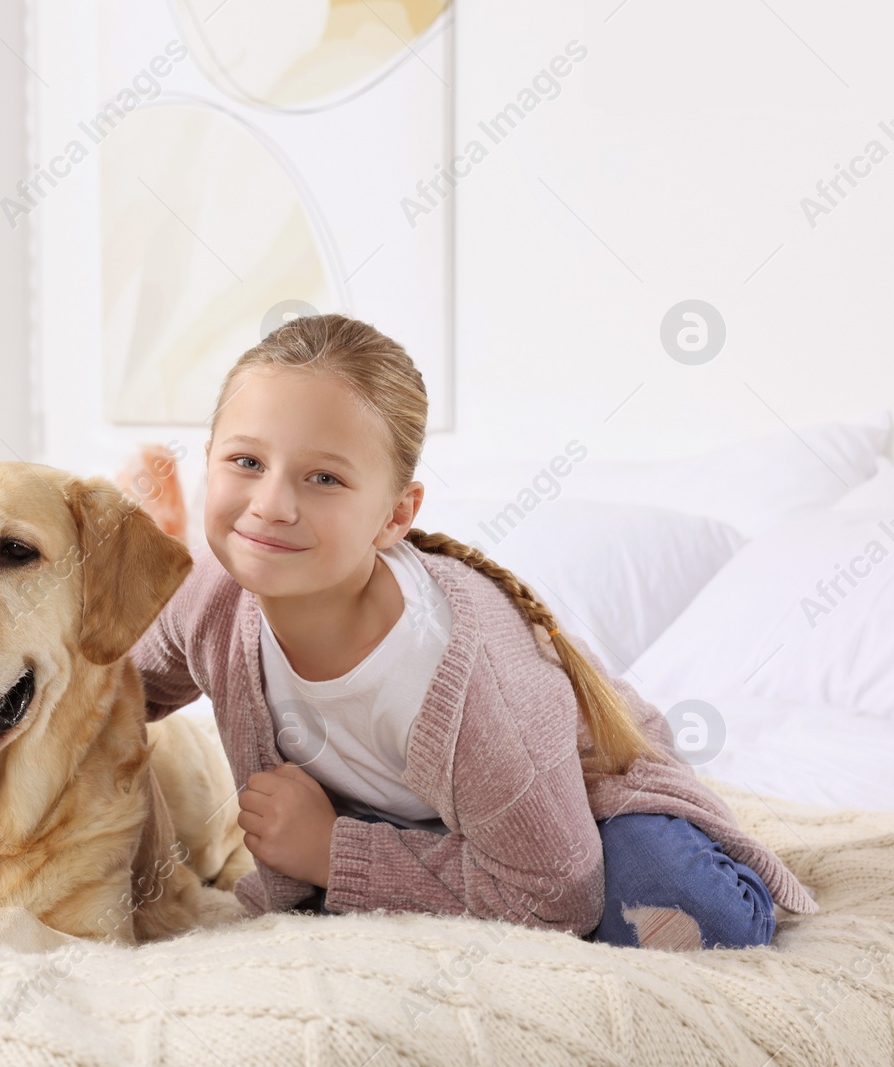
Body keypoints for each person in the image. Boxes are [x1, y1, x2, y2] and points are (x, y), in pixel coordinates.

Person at [128, 314, 817, 949]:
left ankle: (687, 858)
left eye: (324, 478)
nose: (271, 504)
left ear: (395, 515)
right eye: (246, 462)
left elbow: (558, 896)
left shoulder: (455, 673)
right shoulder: (211, 598)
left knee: (678, 911)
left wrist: (330, 851)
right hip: (423, 827)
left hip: (578, 813)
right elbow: (113, 687)